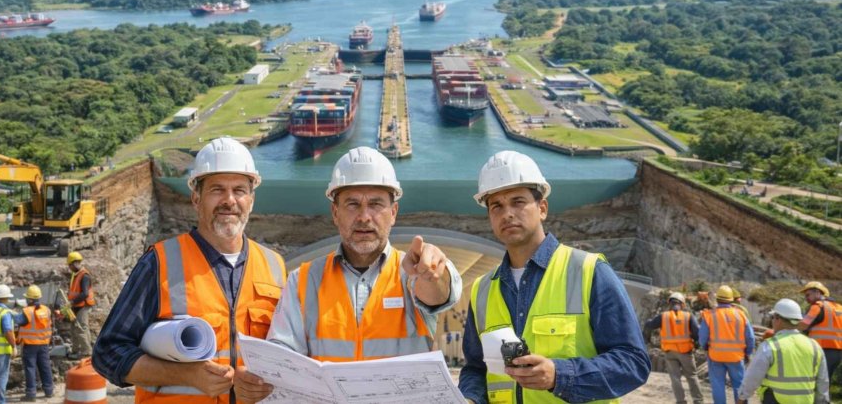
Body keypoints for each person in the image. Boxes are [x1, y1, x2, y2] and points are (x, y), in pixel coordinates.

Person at [92, 137, 286, 403]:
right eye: (217, 190)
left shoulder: (274, 266)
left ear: (251, 200)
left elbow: (288, 356)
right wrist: (187, 374)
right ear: (196, 199)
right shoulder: (159, 262)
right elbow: (108, 354)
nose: (229, 201)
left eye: (239, 190)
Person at [459, 150, 650, 403]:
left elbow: (633, 362)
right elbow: (475, 368)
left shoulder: (589, 271)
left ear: (542, 208)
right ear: (490, 217)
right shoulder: (482, 289)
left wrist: (560, 376)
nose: (507, 214)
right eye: (497, 206)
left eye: (518, 201)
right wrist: (471, 398)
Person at [266, 146, 462, 365]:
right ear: (335, 213)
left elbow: (439, 294)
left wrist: (433, 274)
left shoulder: (412, 272)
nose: (364, 217)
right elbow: (281, 358)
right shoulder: (303, 281)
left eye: (376, 204)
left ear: (394, 213)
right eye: (352, 204)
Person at [737, 298, 830, 404]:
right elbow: (823, 381)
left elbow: (753, 377)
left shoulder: (770, 346)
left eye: (772, 317)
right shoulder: (814, 345)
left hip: (775, 400)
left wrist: (742, 397)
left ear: (778, 318)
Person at [700, 284, 755, 404]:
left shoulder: (709, 315)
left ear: (717, 299)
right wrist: (748, 352)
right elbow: (750, 338)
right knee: (739, 385)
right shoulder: (741, 315)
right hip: (736, 357)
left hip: (716, 357)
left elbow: (702, 338)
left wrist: (706, 348)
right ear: (731, 299)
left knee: (718, 385)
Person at [645, 292, 703, 404]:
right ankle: (698, 400)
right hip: (686, 352)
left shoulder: (663, 316)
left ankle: (681, 401)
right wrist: (696, 344)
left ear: (669, 304)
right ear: (682, 304)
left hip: (669, 352)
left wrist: (648, 321)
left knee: (675, 378)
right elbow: (697, 333)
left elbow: (650, 325)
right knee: (692, 376)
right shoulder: (688, 316)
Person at [797, 281, 841, 384]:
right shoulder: (839, 307)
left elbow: (803, 325)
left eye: (808, 295)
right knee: (826, 381)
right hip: (838, 352)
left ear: (817, 292)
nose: (806, 298)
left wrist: (786, 327)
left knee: (816, 382)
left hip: (822, 349)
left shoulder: (817, 306)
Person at [17, 284, 55, 401]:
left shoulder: (27, 311)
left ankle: (31, 394)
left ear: (30, 299)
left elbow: (19, 321)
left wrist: (11, 312)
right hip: (43, 344)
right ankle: (49, 391)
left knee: (30, 368)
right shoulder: (46, 310)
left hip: (30, 345)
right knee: (45, 366)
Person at [66, 250, 95, 359]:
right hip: (76, 305)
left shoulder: (84, 276)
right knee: (74, 328)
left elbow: (84, 293)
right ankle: (76, 350)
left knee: (81, 328)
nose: (69, 268)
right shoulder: (76, 274)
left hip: (83, 305)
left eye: (70, 265)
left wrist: (72, 302)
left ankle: (86, 352)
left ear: (74, 263)